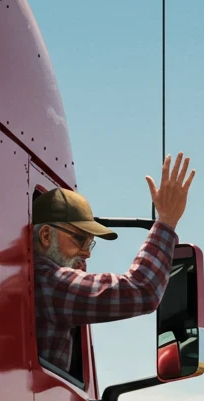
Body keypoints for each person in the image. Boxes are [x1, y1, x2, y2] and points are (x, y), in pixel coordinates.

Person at [32, 152, 195, 373]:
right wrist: (166, 221)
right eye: (79, 239)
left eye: (90, 244)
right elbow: (142, 290)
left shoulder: (36, 280)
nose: (86, 254)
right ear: (45, 236)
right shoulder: (49, 282)